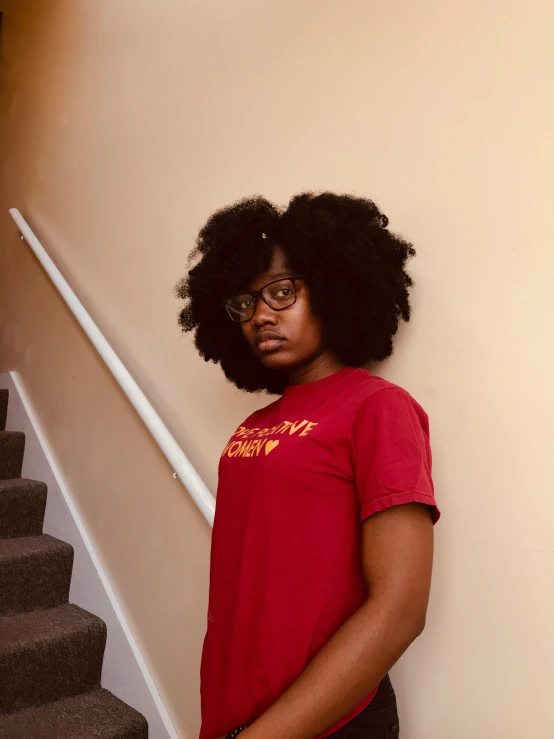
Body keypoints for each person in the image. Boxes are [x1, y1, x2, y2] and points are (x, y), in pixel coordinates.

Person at [176, 192, 439, 739]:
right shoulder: (251, 428)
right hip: (236, 716)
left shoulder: (377, 407)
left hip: (330, 722)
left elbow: (400, 608)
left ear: (335, 289)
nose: (261, 315)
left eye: (281, 291)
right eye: (244, 304)